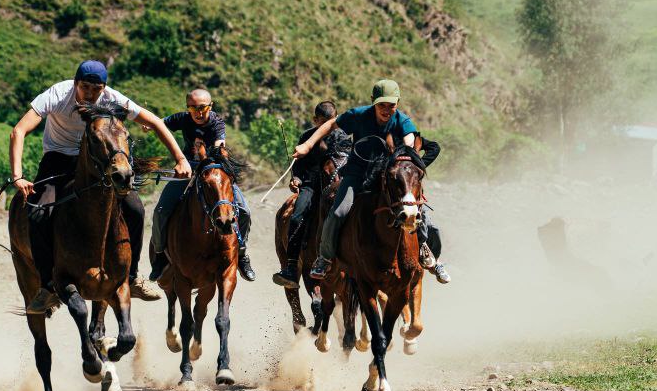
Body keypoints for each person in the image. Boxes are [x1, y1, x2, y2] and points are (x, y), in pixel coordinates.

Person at [10, 59, 191, 313]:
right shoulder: (57, 95)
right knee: (38, 213)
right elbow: (18, 131)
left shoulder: (111, 99)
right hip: (59, 159)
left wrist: (181, 159)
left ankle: (132, 278)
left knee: (136, 209)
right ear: (75, 84)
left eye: (97, 89)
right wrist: (18, 175)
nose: (91, 94)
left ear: (104, 88)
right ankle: (48, 286)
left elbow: (155, 122)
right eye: (85, 87)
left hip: (98, 160)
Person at [293, 79, 451, 284]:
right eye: (381, 105)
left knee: (416, 210)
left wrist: (407, 152)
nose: (386, 110)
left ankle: (425, 250)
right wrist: (307, 144)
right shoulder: (358, 115)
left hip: (388, 178)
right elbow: (331, 124)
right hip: (357, 174)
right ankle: (324, 258)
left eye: (391, 105)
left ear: (397, 103)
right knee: (338, 212)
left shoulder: (402, 122)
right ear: (373, 102)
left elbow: (409, 140)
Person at [148, 87, 256, 283]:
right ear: (187, 108)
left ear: (210, 106)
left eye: (202, 108)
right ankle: (160, 256)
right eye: (192, 108)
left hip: (213, 170)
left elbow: (219, 144)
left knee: (244, 210)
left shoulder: (217, 122)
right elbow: (160, 123)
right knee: (160, 211)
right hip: (187, 168)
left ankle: (241, 253)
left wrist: (211, 157)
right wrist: (149, 125)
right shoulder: (183, 118)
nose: (198, 112)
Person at [272, 100, 341, 289]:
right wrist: (297, 180)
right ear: (315, 120)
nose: (327, 125)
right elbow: (299, 168)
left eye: (331, 120)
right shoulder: (306, 136)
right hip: (311, 186)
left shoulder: (342, 137)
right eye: (322, 121)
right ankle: (292, 266)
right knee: (296, 216)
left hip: (335, 186)